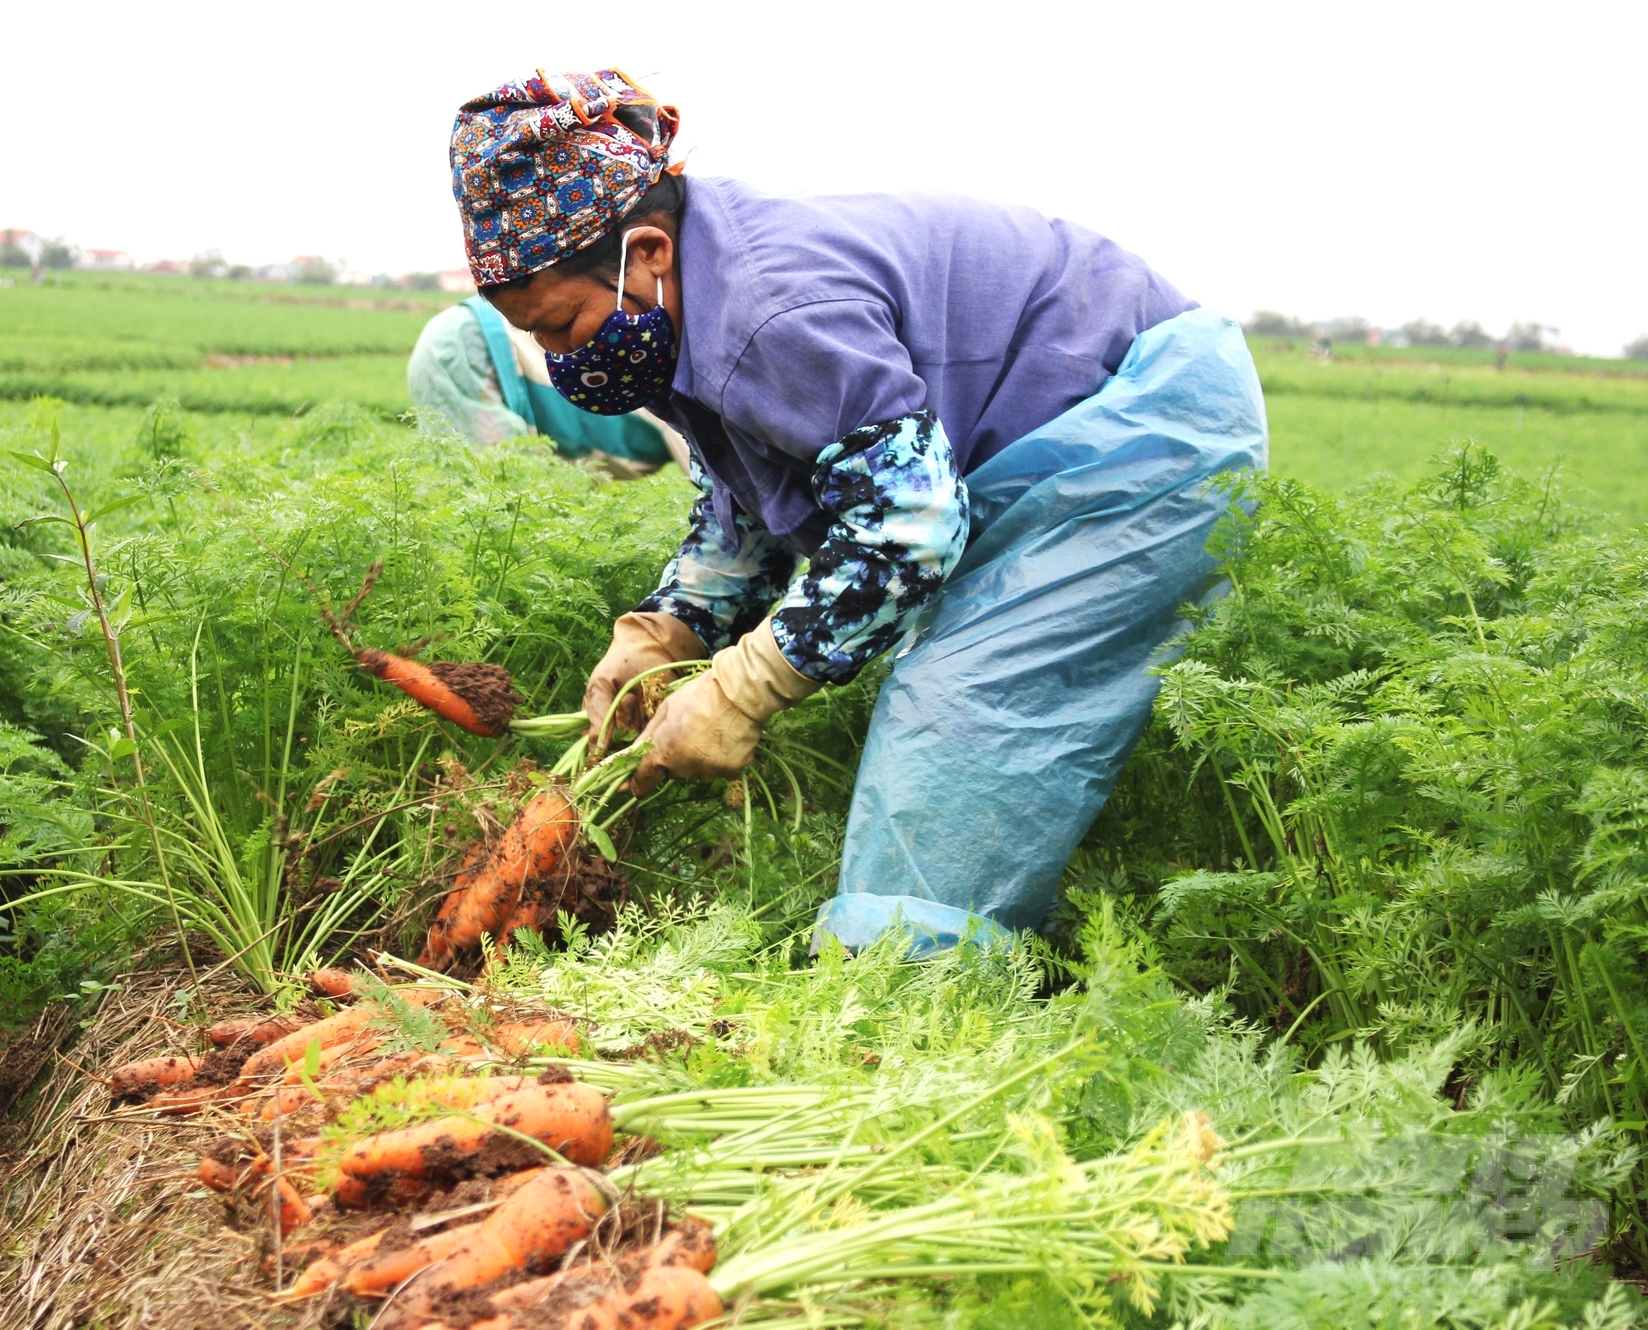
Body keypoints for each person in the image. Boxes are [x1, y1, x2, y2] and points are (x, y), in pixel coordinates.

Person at [447, 69, 1268, 953]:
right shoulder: (688, 291)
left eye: (564, 323)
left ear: (646, 250)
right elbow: (755, 489)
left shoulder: (771, 307)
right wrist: (673, 628)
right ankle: (1042, 958)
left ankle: (911, 1016)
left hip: (1142, 427)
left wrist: (747, 684)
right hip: (1063, 435)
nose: (559, 356)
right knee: (975, 706)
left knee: (960, 706)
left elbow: (908, 529)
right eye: (535, 335)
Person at [408, 291, 689, 476]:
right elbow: (722, 488)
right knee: (497, 490)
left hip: (465, 338)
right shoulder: (685, 382)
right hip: (473, 348)